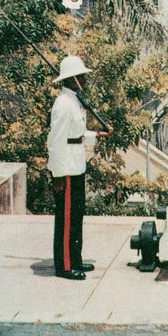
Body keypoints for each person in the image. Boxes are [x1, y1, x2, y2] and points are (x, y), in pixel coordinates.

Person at [47, 54, 112, 280]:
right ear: (72, 79)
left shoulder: (73, 100)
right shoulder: (64, 104)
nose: (85, 79)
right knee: (66, 219)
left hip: (75, 164)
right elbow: (56, 141)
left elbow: (76, 135)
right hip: (65, 167)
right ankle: (64, 266)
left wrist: (98, 134)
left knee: (76, 216)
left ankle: (75, 258)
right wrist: (56, 173)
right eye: (81, 76)